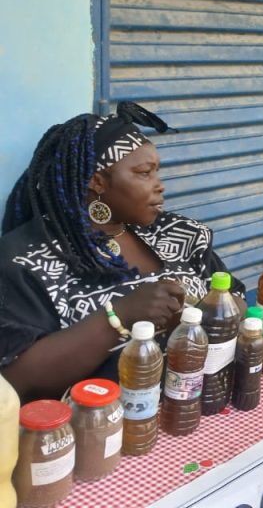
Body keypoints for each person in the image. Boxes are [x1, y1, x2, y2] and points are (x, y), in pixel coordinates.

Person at [0, 103, 245, 402]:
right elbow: (16, 380)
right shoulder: (28, 258)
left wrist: (209, 312)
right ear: (97, 181)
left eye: (156, 172)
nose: (160, 186)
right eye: (144, 173)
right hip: (101, 423)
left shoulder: (179, 234)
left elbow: (238, 301)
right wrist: (120, 316)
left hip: (200, 404)